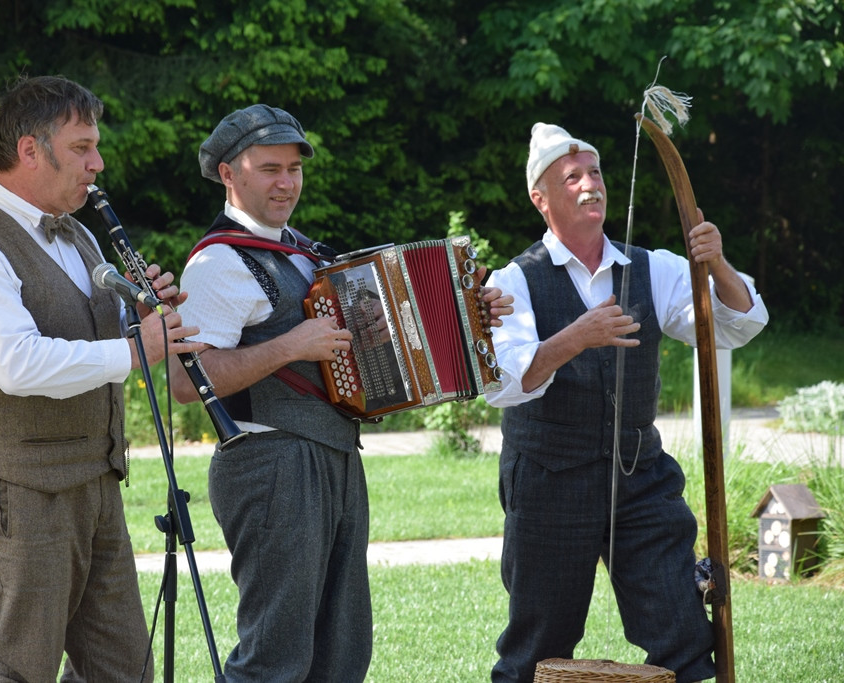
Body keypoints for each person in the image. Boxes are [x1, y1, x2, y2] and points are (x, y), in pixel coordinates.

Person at [171, 104, 512, 681]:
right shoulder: (219, 263)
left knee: (341, 651)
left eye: (294, 170)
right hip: (270, 461)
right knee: (275, 657)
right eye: (269, 168)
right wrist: (289, 346)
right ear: (230, 174)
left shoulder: (305, 254)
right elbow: (187, 382)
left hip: (330, 454)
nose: (286, 183)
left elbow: (356, 357)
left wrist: (467, 315)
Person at [0, 75, 204, 682]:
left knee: (123, 667)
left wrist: (139, 307)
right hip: (14, 483)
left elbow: (85, 329)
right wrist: (137, 348)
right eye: (82, 148)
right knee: (20, 667)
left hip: (93, 477)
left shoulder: (77, 234)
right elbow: (19, 363)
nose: (97, 164)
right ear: (30, 150)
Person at [483, 122, 769, 682]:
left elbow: (737, 324)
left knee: (684, 633)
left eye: (595, 173)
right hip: (548, 479)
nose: (591, 185)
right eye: (573, 177)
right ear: (540, 199)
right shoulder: (514, 280)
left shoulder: (652, 265)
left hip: (641, 478)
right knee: (537, 646)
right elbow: (503, 385)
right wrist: (575, 337)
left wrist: (718, 265)